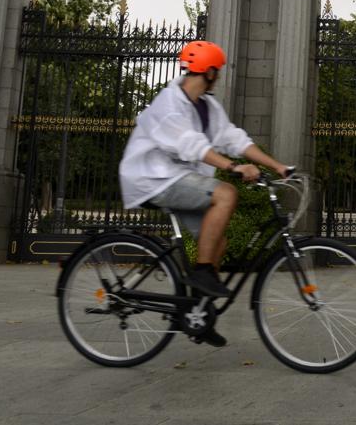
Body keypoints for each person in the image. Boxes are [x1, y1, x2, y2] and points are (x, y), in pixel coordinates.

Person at [119, 40, 292, 341]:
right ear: (209, 71)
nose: (220, 75)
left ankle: (198, 316)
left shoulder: (208, 107)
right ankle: (201, 272)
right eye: (218, 70)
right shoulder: (169, 104)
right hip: (154, 178)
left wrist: (277, 166)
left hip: (178, 178)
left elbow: (235, 139)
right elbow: (192, 145)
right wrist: (233, 168)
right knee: (226, 193)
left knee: (218, 243)